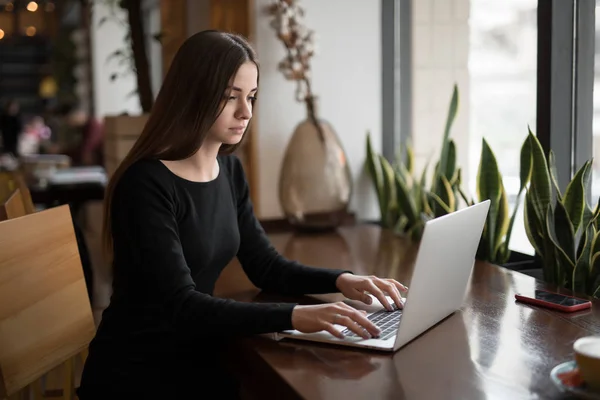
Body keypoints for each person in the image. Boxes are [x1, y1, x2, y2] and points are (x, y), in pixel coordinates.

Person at [77, 30, 408, 399]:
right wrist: (296, 315)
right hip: (139, 373)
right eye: (230, 97)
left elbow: (265, 266)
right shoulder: (145, 184)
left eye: (250, 97)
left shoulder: (229, 172)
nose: (246, 112)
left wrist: (343, 280)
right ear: (192, 94)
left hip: (199, 354)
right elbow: (181, 305)